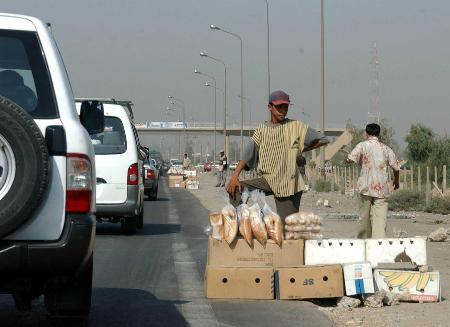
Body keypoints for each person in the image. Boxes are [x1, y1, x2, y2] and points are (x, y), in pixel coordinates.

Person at [226, 90, 329, 221]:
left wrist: (300, 149)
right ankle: (243, 223)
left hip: (288, 184)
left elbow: (323, 140)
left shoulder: (295, 126)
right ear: (270, 107)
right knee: (234, 190)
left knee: (288, 229)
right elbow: (248, 154)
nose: (282, 110)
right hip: (267, 180)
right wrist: (235, 176)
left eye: (285, 107)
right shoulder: (262, 129)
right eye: (279, 107)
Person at [346, 123, 400, 239]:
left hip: (365, 187)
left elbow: (350, 159)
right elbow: (396, 167)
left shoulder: (362, 146)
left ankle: (364, 243)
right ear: (378, 134)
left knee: (364, 218)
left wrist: (347, 159)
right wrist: (397, 180)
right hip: (381, 189)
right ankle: (378, 244)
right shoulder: (386, 148)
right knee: (380, 220)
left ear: (366, 133)